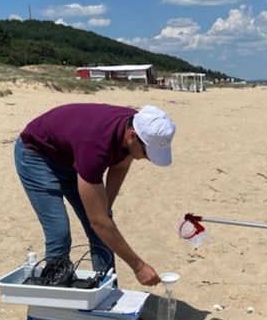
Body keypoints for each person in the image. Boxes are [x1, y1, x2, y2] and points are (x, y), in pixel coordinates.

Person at [14, 103, 176, 296]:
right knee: (60, 231)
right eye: (148, 153)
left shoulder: (140, 125)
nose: (149, 159)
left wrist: (106, 207)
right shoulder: (95, 146)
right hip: (37, 155)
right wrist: (138, 266)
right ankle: (56, 295)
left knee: (103, 225)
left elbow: (120, 167)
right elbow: (98, 222)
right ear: (132, 136)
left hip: (72, 156)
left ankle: (106, 295)